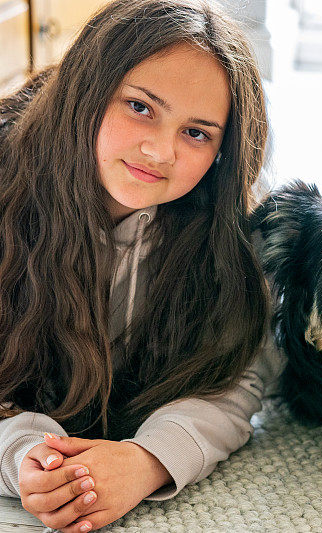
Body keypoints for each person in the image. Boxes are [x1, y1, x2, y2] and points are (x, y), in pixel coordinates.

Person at [0, 1, 277, 531]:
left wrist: (149, 461)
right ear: (89, 88)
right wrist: (22, 455)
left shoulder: (233, 225)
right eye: (141, 107)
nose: (159, 151)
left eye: (196, 133)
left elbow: (236, 376)